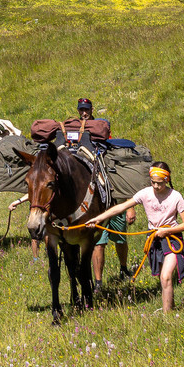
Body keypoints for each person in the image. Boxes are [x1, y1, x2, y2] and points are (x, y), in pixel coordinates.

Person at [83, 160, 184, 313]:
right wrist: (98, 218)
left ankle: (167, 315)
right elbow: (121, 207)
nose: (156, 186)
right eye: (153, 182)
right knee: (163, 279)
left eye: (159, 183)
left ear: (167, 180)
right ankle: (170, 310)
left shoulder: (176, 196)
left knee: (166, 277)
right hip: (154, 239)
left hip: (172, 238)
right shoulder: (145, 193)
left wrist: (166, 231)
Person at [65, 98, 129, 289]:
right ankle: (98, 281)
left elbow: (112, 162)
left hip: (109, 188)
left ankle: (123, 267)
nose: (83, 113)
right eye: (81, 110)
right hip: (92, 191)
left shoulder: (100, 127)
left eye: (86, 109)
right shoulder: (75, 129)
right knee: (98, 241)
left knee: (120, 235)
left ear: (91, 110)